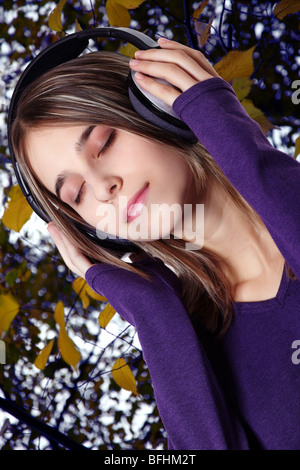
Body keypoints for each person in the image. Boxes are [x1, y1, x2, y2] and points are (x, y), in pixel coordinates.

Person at [9, 37, 300, 450]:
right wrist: (152, 313)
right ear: (88, 230)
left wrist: (234, 141)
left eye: (104, 142)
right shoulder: (201, 355)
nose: (102, 186)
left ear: (161, 112)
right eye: (76, 194)